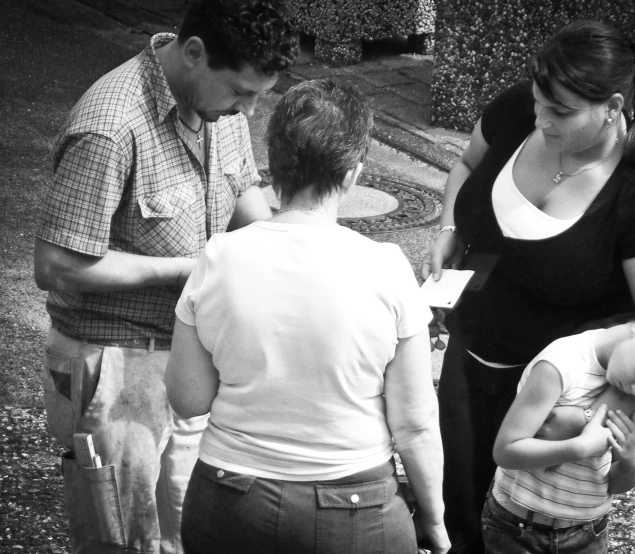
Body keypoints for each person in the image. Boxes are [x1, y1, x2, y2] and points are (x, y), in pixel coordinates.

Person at [33, 1, 299, 552]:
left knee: (187, 532)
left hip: (186, 359)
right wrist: (187, 270)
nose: (249, 111)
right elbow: (55, 264)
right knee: (124, 539)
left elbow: (245, 189)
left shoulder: (217, 108)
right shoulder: (111, 125)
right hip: (111, 363)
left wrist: (288, 247)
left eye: (258, 96)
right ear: (194, 53)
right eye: (241, 92)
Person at [420, 20, 635, 553]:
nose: (541, 117)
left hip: (554, 409)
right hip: (467, 363)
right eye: (540, 100)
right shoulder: (524, 106)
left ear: (613, 106)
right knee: (460, 521)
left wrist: (601, 419)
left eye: (561, 112)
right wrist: (450, 228)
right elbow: (466, 162)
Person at [165, 79, 451, 554]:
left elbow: (189, 398)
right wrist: (436, 523)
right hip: (355, 509)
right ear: (353, 175)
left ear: (272, 165)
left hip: (229, 500)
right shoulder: (386, 267)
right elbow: (416, 425)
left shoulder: (219, 257)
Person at [486, 300, 635, 553]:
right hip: (518, 526)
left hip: (589, 530)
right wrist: (578, 448)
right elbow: (505, 452)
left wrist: (632, 461)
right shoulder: (561, 365)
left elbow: (614, 485)